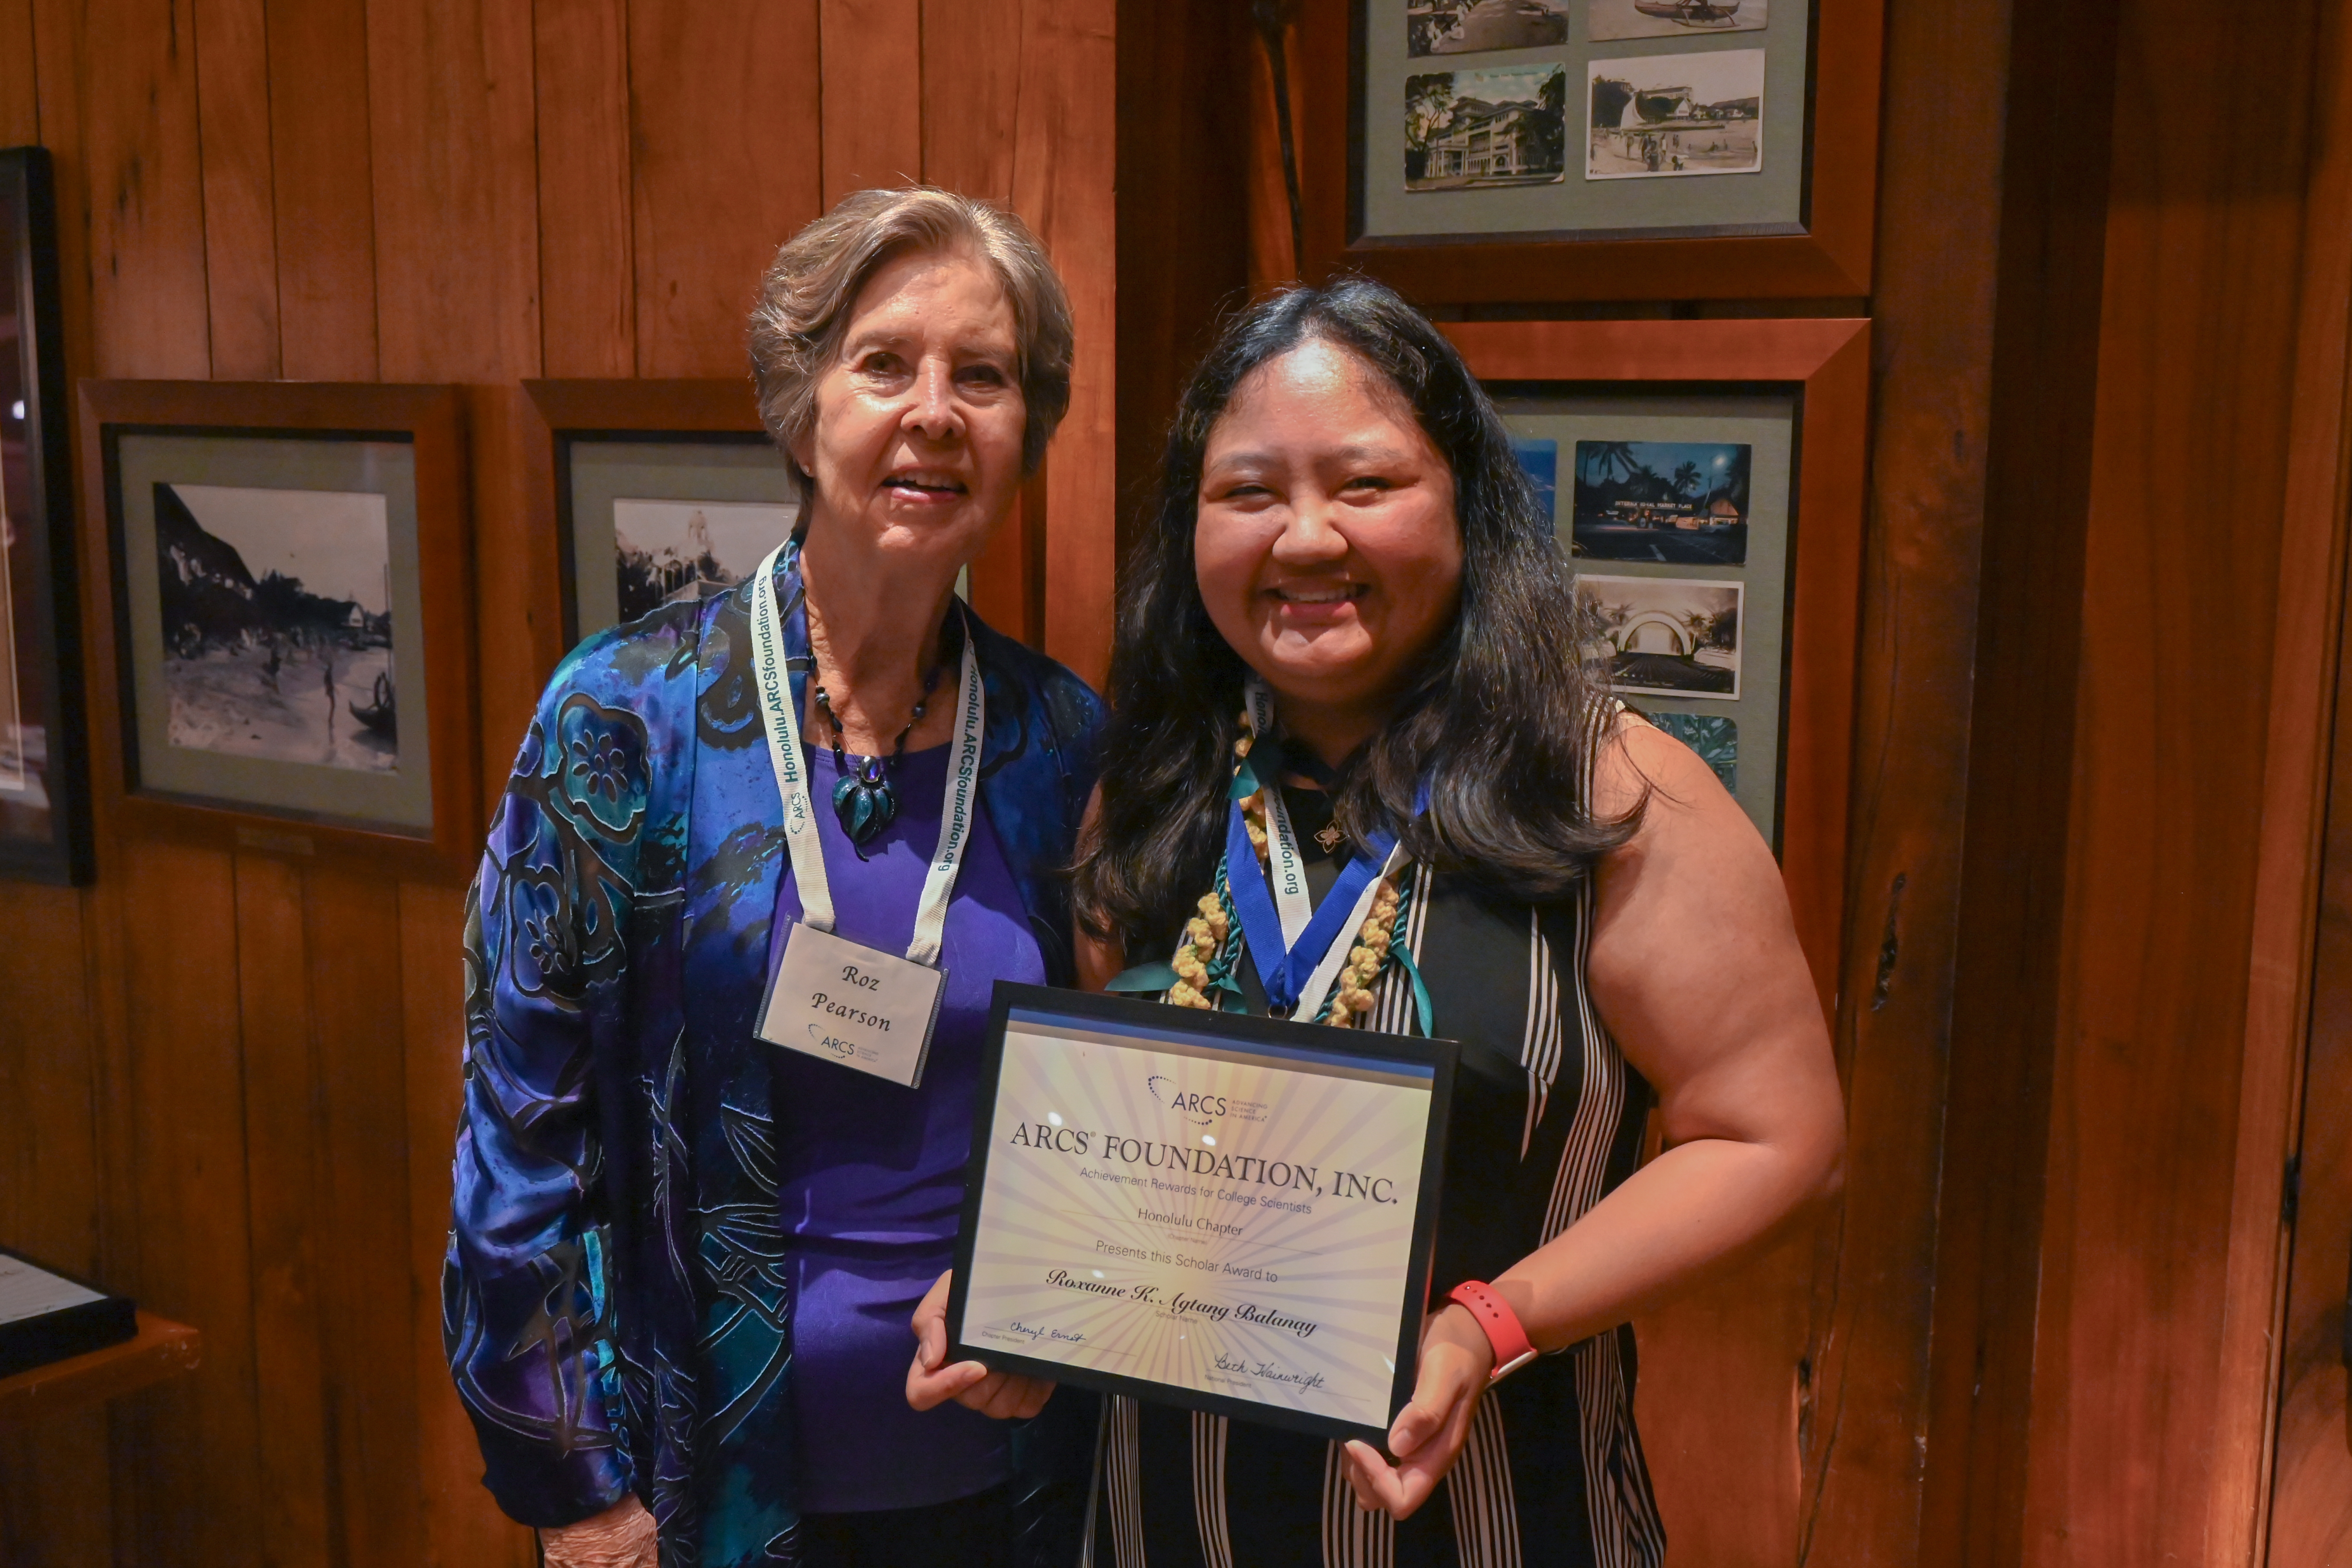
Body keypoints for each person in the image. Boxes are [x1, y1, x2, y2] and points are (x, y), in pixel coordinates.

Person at [909, 275, 1846, 1564]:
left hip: (1497, 1520)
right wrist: (1027, 1294)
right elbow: (1129, 1154)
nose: (1305, 539)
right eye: (1249, 493)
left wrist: (1494, 1320)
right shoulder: (1151, 794)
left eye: (1364, 485)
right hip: (1164, 1525)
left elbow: (1775, 1135)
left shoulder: (1610, 792)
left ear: (1466, 499)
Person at [446, 187, 1104, 1568]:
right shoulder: (625, 720)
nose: (935, 411)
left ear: (1024, 434)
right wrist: (575, 1485)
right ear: (802, 409)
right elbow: (521, 1130)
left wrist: (1059, 1308)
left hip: (1006, 1487)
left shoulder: (1061, 744)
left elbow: (1109, 1109)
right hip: (695, 1490)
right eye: (885, 364)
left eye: (981, 377)